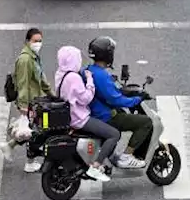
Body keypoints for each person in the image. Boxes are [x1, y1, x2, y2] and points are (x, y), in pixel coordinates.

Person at [85, 36, 153, 169]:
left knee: (122, 114)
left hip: (94, 112)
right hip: (105, 116)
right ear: (107, 55)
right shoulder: (101, 75)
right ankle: (127, 156)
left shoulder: (89, 70)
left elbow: (109, 92)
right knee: (145, 122)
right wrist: (137, 99)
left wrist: (123, 91)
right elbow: (115, 99)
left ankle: (111, 155)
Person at [54, 46, 113, 183]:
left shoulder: (60, 73)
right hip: (79, 118)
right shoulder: (74, 78)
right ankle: (96, 166)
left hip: (68, 116)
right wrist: (90, 80)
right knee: (113, 134)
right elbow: (86, 98)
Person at [6, 27, 51, 173]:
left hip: (36, 101)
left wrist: (52, 94)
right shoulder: (25, 59)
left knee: (33, 130)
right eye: (35, 41)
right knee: (39, 130)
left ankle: (10, 145)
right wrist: (23, 105)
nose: (38, 43)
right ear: (27, 41)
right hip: (30, 103)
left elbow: (41, 78)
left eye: (40, 41)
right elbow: (23, 84)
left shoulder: (34, 56)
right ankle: (29, 162)